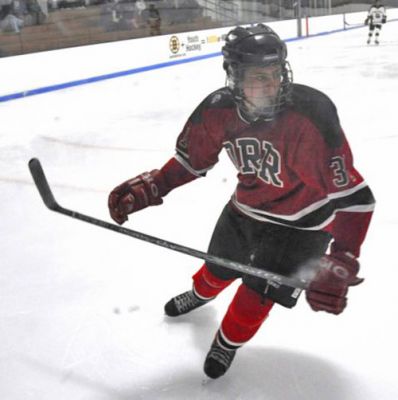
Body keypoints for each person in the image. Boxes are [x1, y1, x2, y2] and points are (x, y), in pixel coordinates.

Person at [108, 24, 375, 379]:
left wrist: (342, 256)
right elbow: (192, 162)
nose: (270, 84)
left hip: (304, 226)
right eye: (257, 76)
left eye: (275, 73)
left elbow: (355, 199)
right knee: (215, 272)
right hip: (246, 211)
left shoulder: (311, 114)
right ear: (234, 76)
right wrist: (155, 185)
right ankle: (200, 295)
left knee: (255, 298)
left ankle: (227, 341)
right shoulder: (217, 110)